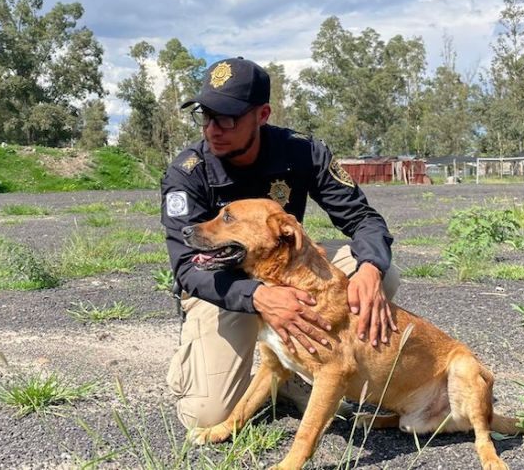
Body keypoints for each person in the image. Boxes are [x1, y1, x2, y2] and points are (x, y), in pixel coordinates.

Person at [161, 56, 401, 428]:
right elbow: (187, 265)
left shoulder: (303, 152)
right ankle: (233, 366)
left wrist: (370, 268)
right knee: (206, 416)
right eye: (206, 116)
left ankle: (302, 371)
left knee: (381, 275)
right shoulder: (188, 172)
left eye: (227, 118)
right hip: (225, 285)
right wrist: (257, 296)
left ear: (262, 115)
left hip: (285, 272)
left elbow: (363, 219)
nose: (213, 129)